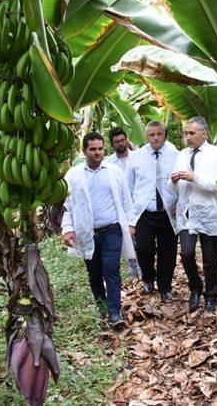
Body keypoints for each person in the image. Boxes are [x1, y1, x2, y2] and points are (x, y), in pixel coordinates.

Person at [61, 132, 136, 328]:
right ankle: (102, 308)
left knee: (111, 270)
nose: (97, 153)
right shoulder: (74, 175)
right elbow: (67, 206)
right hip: (87, 232)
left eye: (100, 149)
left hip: (112, 229)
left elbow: (126, 199)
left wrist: (130, 223)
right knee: (94, 274)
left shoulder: (113, 171)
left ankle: (114, 313)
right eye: (93, 149)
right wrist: (68, 228)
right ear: (84, 150)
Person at [169, 116, 217, 313]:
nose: (187, 137)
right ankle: (195, 287)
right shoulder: (182, 155)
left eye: (192, 133)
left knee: (210, 259)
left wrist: (195, 177)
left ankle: (211, 296)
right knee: (186, 254)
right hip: (186, 213)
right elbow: (172, 187)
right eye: (186, 133)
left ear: (204, 133)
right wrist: (175, 180)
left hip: (208, 212)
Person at [127, 121, 179, 300]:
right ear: (146, 136)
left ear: (164, 134)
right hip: (144, 213)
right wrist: (130, 219)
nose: (156, 137)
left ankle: (165, 287)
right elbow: (128, 187)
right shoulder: (136, 157)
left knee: (168, 252)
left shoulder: (175, 155)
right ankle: (148, 278)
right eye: (152, 134)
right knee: (143, 248)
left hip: (168, 213)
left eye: (159, 134)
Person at [105, 127, 142, 280]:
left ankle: (144, 267)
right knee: (127, 239)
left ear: (127, 139)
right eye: (116, 142)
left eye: (122, 140)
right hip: (121, 207)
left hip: (139, 204)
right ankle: (132, 267)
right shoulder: (108, 163)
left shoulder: (138, 157)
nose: (120, 143)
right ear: (112, 144)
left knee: (142, 240)